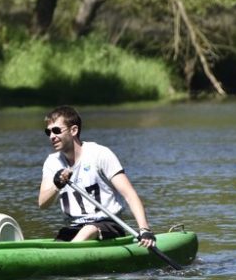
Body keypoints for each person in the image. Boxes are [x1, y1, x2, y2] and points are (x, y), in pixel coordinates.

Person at [38, 105, 157, 247]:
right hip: (74, 227)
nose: (52, 136)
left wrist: (144, 230)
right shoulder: (52, 162)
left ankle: (66, 257)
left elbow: (129, 194)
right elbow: (43, 204)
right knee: (70, 236)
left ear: (74, 130)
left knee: (88, 230)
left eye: (56, 131)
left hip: (108, 224)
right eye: (48, 132)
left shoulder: (100, 154)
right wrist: (57, 185)